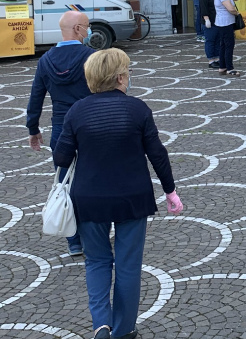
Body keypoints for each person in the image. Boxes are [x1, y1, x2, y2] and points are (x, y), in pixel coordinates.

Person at [53, 48, 183, 339]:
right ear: (121, 77)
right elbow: (157, 154)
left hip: (89, 199)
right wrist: (170, 191)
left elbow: (61, 158)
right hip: (132, 198)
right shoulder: (138, 109)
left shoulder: (76, 111)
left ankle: (101, 323)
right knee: (128, 265)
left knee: (97, 261)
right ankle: (124, 330)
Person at [26, 9, 95, 256]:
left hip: (60, 129)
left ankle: (73, 240)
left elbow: (36, 96)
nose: (88, 31)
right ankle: (92, 237)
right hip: (90, 126)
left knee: (64, 184)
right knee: (94, 180)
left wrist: (32, 128)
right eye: (86, 26)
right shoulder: (92, 57)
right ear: (77, 29)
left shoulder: (45, 60)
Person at [215, 0, 246, 77]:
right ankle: (229, 68)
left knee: (223, 45)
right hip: (225, 23)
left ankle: (222, 66)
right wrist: (237, 13)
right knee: (229, 45)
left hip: (226, 22)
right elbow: (230, 8)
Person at [200, 0, 220, 69]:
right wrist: (206, 19)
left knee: (217, 40)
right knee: (210, 40)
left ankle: (217, 58)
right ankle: (211, 60)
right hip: (210, 20)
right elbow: (203, 7)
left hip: (218, 20)